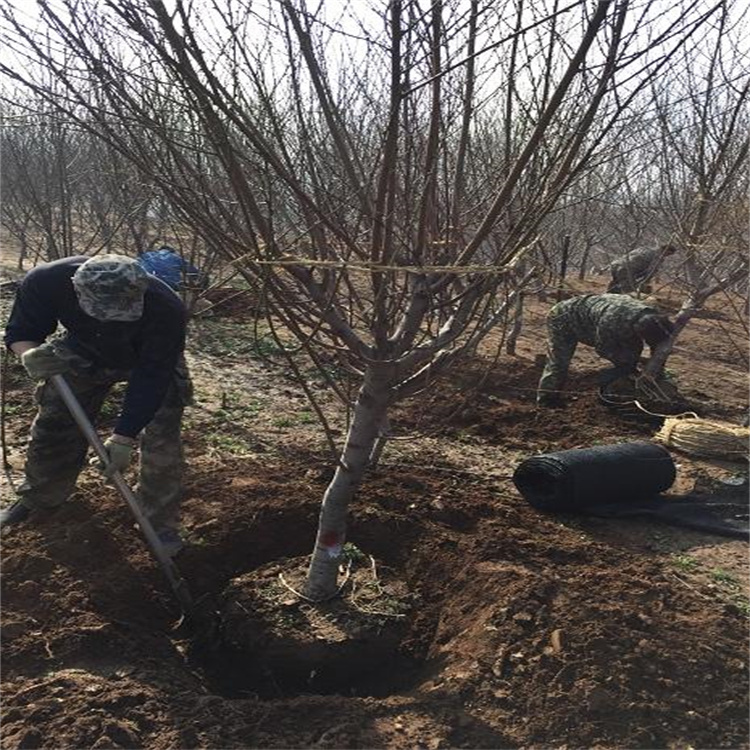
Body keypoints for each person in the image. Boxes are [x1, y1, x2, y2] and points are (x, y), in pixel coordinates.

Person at [1, 254, 192, 556]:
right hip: (82, 347)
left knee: (161, 439)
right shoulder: (46, 282)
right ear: (76, 290)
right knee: (55, 423)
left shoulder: (165, 307)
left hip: (146, 358)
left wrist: (124, 436)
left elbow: (153, 375)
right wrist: (28, 355)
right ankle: (41, 498)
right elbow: (23, 332)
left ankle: (158, 523)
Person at [537, 293, 674, 406]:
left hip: (599, 316)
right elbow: (603, 349)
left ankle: (625, 387)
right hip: (564, 318)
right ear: (639, 331)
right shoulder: (611, 321)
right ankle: (547, 400)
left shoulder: (654, 317)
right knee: (560, 361)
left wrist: (656, 369)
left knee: (630, 356)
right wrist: (636, 361)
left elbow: (658, 346)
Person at [607, 243, 679, 294]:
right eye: (669, 254)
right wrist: (644, 284)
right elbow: (650, 273)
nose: (667, 256)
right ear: (666, 251)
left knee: (615, 285)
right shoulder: (657, 257)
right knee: (629, 291)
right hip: (626, 269)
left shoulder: (645, 248)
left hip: (615, 264)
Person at [137, 244, 205, 292]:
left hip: (147, 282)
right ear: (171, 251)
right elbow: (194, 273)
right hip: (171, 285)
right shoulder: (175, 257)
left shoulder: (147, 255)